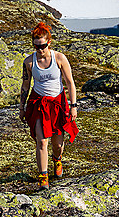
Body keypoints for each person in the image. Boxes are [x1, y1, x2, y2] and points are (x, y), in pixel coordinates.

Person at [19, 22, 78, 190]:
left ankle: (57, 160)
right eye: (36, 46)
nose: (40, 50)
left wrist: (73, 105)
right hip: (39, 103)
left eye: (43, 46)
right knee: (42, 142)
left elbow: (70, 83)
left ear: (49, 43)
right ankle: (43, 176)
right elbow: (25, 86)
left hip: (58, 103)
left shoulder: (59, 58)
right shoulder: (29, 62)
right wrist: (22, 108)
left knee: (57, 145)